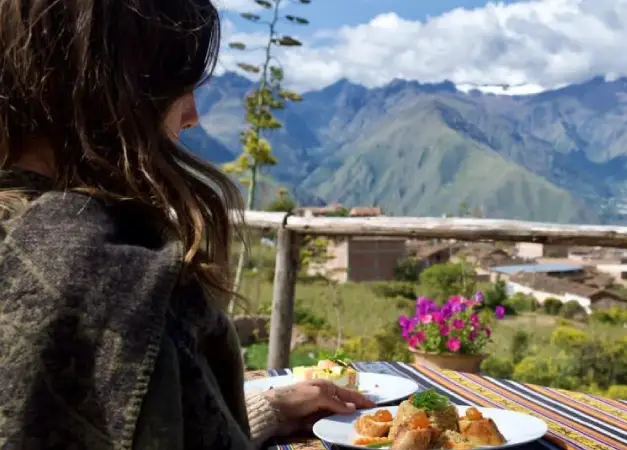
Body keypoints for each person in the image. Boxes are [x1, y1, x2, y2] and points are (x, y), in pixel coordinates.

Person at [0, 0, 374, 448]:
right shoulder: (127, 288)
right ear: (113, 88)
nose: (192, 114)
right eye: (177, 83)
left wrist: (262, 408)